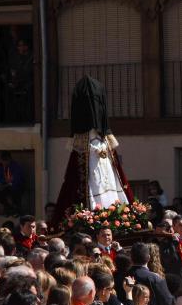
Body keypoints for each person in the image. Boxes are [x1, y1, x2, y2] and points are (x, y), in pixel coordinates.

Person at [52, 76, 134, 226]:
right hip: (88, 146)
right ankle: (95, 217)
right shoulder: (81, 145)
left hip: (102, 144)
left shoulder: (106, 141)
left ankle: (112, 216)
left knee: (112, 181)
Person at [0, 152, 24, 216]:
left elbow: (16, 181)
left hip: (16, 186)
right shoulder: (0, 166)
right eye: (2, 161)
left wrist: (5, 185)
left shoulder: (16, 166)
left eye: (6, 160)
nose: (4, 163)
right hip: (5, 185)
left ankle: (16, 210)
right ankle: (8, 207)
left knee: (14, 190)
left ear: (9, 159)